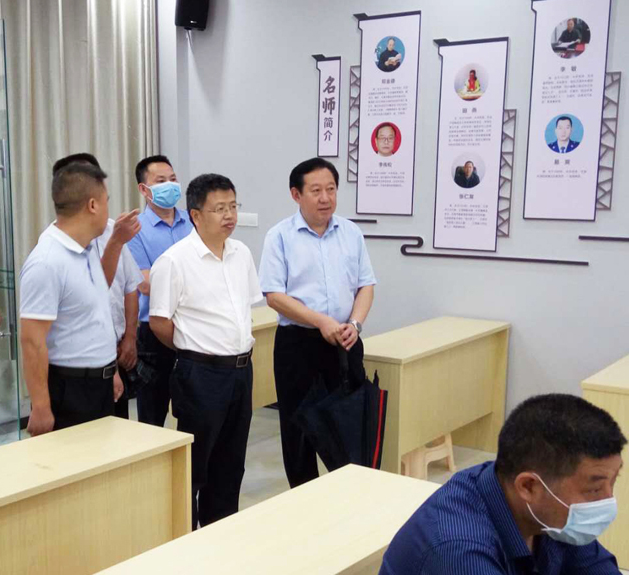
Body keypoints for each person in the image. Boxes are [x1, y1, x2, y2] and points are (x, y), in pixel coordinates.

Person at [380, 394, 625, 574]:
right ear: (528, 486)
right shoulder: (460, 552)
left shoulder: (550, 514)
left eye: (613, 483)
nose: (607, 500)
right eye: (594, 489)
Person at [149, 173, 262, 529]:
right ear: (196, 215)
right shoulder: (174, 261)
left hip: (241, 372)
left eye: (233, 206)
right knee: (196, 465)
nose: (229, 215)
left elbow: (244, 308)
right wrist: (194, 349)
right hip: (201, 374)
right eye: (219, 209)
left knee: (231, 464)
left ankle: (221, 535)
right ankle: (188, 539)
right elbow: (159, 322)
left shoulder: (241, 253)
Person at [259, 158, 376, 489]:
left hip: (345, 340)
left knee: (351, 426)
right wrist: (320, 321)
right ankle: (305, 499)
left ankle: (350, 494)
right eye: (316, 191)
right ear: (296, 195)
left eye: (331, 189)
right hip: (298, 345)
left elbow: (366, 285)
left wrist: (355, 323)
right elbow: (274, 295)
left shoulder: (350, 232)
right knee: (299, 432)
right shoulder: (279, 236)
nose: (325, 198)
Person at [20, 160, 139, 435]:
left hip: (99, 381)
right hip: (70, 388)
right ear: (93, 205)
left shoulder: (84, 248)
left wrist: (110, 369)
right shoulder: (47, 261)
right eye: (106, 201)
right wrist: (41, 406)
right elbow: (32, 341)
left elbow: (97, 291)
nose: (108, 209)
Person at [50, 154, 143, 419]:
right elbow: (91, 302)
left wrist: (130, 337)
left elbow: (129, 286)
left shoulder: (111, 231)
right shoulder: (54, 252)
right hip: (77, 371)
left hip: (110, 356)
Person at [127, 155, 193, 426]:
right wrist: (194, 287)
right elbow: (144, 283)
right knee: (152, 415)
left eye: (173, 179)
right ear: (144, 189)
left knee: (193, 410)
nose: (170, 185)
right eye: (161, 181)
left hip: (193, 324)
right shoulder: (135, 230)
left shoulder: (194, 221)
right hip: (154, 330)